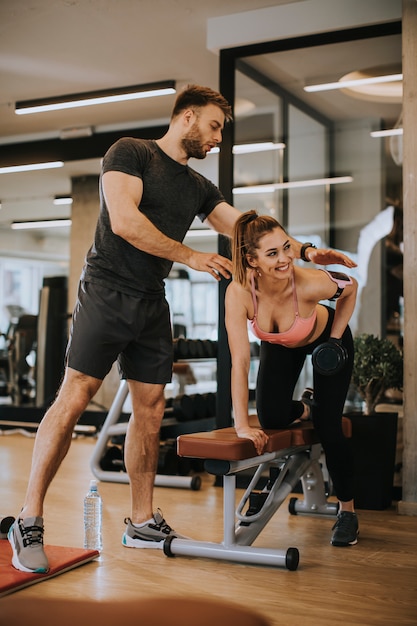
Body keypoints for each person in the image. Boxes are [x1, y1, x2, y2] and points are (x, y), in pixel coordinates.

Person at [8, 85, 357, 574]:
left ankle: (142, 519)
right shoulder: (130, 153)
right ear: (188, 117)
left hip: (152, 301)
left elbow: (248, 230)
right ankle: (28, 518)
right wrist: (191, 255)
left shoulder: (197, 187)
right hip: (107, 291)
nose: (218, 138)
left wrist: (304, 252)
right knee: (76, 394)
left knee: (150, 408)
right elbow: (126, 222)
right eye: (214, 126)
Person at [225, 210, 359, 547]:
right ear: (251, 260)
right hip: (280, 343)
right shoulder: (239, 292)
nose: (285, 259)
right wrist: (242, 424)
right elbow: (240, 361)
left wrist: (333, 340)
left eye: (287, 247)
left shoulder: (310, 282)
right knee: (270, 417)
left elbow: (350, 287)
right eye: (272, 254)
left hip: (326, 335)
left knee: (329, 426)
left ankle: (347, 512)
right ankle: (305, 407)